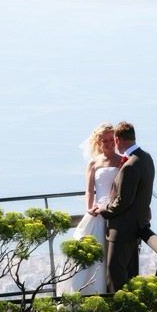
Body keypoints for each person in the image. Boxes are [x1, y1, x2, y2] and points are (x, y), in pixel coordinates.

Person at [58, 123, 122, 295]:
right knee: (89, 250)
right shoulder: (93, 163)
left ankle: (105, 291)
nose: (110, 143)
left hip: (115, 211)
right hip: (97, 212)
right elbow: (89, 189)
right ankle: (84, 292)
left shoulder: (122, 161)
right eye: (105, 140)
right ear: (99, 142)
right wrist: (90, 207)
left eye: (112, 139)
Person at [94, 121, 155, 293]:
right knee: (131, 273)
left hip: (122, 228)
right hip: (138, 224)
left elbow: (123, 201)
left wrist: (103, 210)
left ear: (118, 139)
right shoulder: (146, 158)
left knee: (115, 272)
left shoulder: (129, 165)